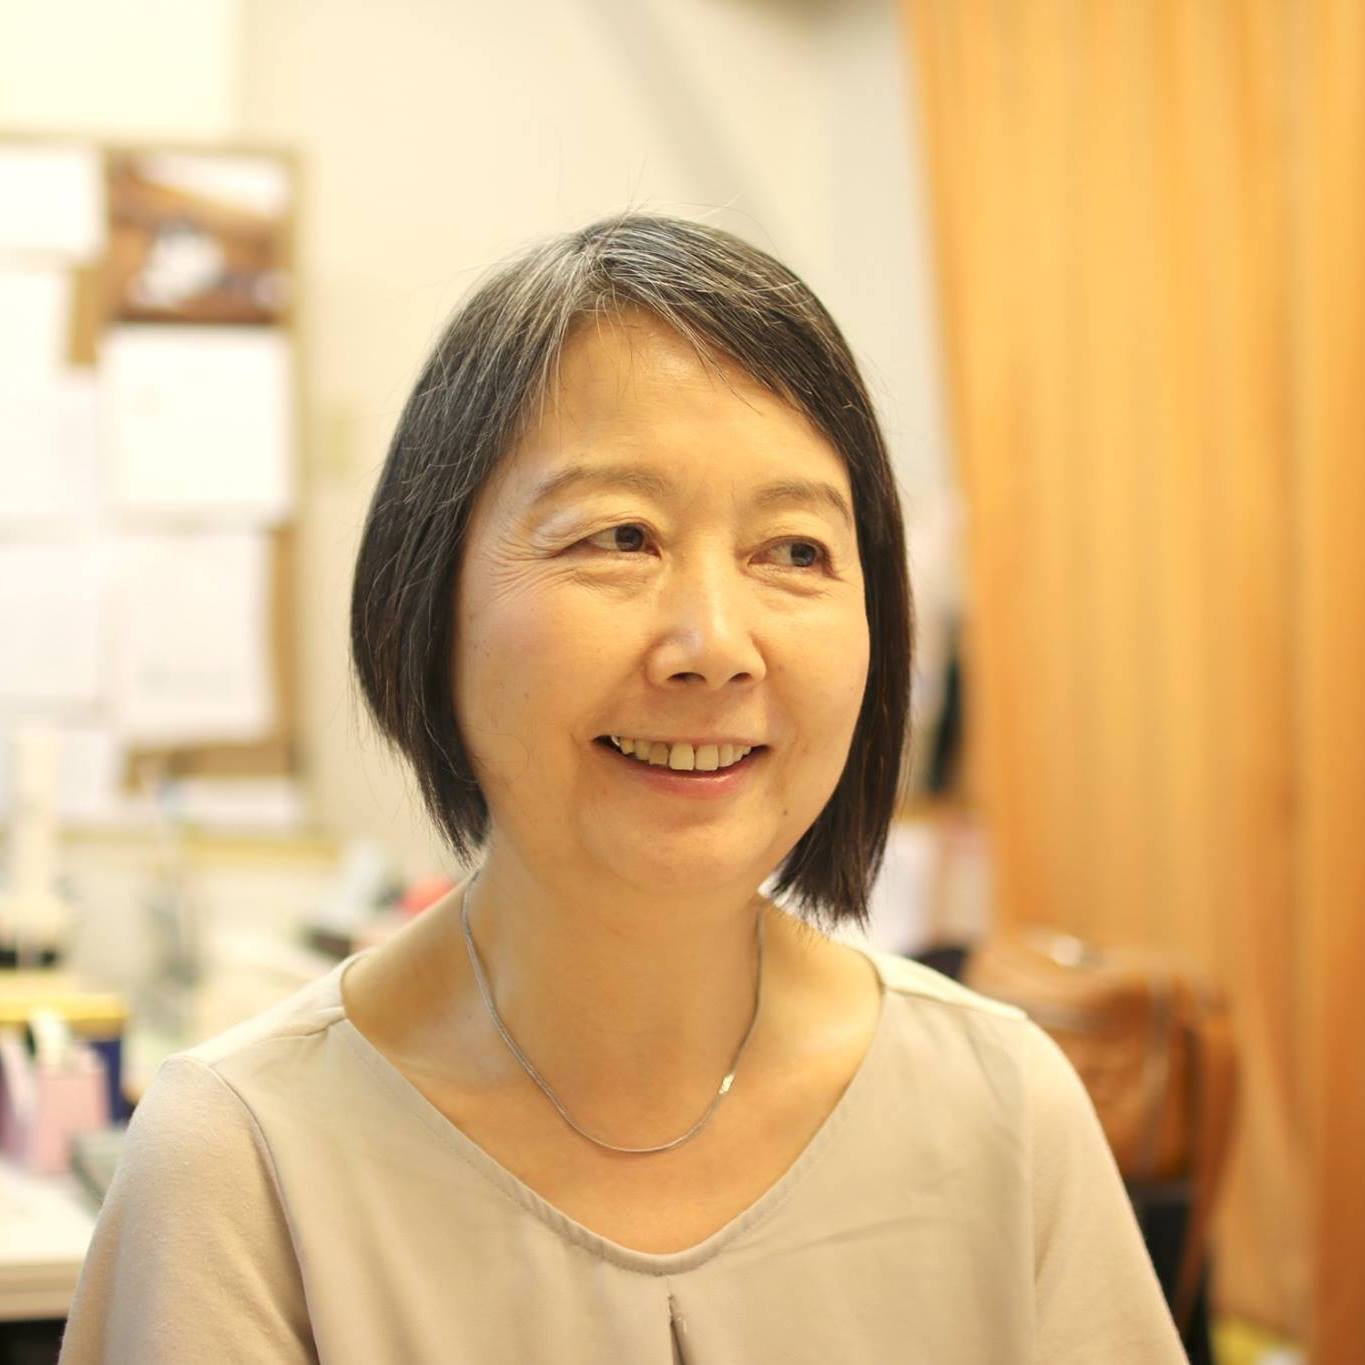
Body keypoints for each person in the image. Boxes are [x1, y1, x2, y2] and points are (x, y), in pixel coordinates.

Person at [58, 214, 1188, 1363]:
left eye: (794, 550)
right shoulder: (245, 1164)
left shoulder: (1004, 1112)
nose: (715, 644)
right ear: (426, 596)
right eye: (619, 537)